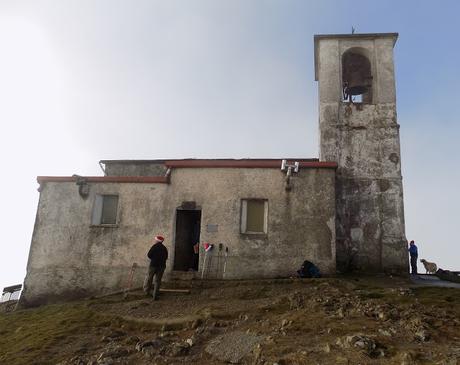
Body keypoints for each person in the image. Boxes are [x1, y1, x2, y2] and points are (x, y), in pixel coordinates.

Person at [143, 235, 168, 300]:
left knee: (149, 278)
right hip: (161, 266)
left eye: (155, 240)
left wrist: (154, 259)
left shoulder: (154, 247)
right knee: (157, 281)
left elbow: (149, 255)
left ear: (157, 241)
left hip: (153, 265)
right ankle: (155, 295)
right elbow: (166, 257)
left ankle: (146, 292)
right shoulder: (164, 248)